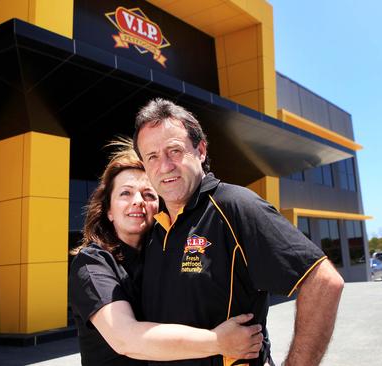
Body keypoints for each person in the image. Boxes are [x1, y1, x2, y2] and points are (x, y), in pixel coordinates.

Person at [132, 99, 345, 366]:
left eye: (174, 151)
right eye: (152, 156)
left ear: (200, 150)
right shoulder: (154, 230)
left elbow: (323, 282)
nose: (164, 166)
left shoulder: (235, 206)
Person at [68, 140, 264, 366]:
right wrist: (219, 341)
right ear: (109, 211)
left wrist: (261, 350)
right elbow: (125, 339)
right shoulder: (92, 264)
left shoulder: (162, 254)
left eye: (149, 195)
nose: (138, 202)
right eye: (125, 193)